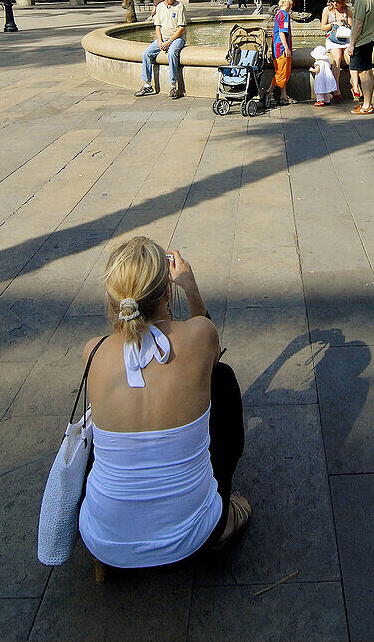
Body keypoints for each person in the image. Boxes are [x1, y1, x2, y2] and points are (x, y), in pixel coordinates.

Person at [79, 237, 250, 571]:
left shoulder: (93, 352)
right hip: (194, 531)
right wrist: (190, 285)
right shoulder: (197, 337)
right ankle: (222, 519)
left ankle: (111, 553)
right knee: (223, 380)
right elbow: (210, 351)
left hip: (103, 537)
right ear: (166, 293)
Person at [135, 0, 186, 99]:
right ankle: (147, 84)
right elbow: (157, 26)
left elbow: (181, 28)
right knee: (146, 54)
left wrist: (169, 41)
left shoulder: (179, 6)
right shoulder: (160, 7)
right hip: (163, 39)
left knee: (172, 53)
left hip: (177, 39)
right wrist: (159, 41)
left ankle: (173, 85)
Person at [347, 0, 374, 115]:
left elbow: (358, 23)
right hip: (370, 38)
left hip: (361, 41)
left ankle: (367, 105)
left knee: (363, 73)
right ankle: (368, 102)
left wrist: (352, 44)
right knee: (368, 71)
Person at [320, 0, 352, 100]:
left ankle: (356, 86)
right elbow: (323, 27)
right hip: (333, 39)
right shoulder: (327, 10)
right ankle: (335, 88)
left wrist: (344, 21)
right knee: (337, 58)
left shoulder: (347, 10)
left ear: (342, 0)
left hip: (345, 38)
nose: (334, 4)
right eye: (332, 1)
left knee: (350, 56)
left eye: (336, 1)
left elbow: (352, 26)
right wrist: (333, 24)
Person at [267, 0, 293, 106]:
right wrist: (286, 48)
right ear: (288, 3)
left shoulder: (278, 13)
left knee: (281, 70)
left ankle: (283, 95)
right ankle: (269, 92)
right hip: (281, 48)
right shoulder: (285, 15)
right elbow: (282, 33)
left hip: (276, 47)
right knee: (282, 72)